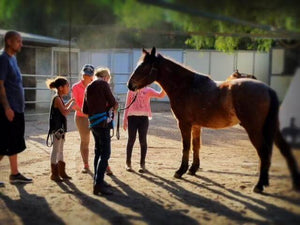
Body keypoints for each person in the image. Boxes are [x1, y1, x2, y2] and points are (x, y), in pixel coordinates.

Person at [0, 30, 33, 186]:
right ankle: (14, 174)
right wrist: (7, 107)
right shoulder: (3, 59)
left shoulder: (13, 59)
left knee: (12, 142)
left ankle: (14, 174)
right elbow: (0, 85)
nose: (21, 44)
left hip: (17, 108)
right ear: (9, 41)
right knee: (3, 143)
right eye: (18, 41)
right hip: (9, 109)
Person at [72, 64, 114, 175]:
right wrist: (90, 114)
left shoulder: (96, 85)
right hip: (82, 117)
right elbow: (75, 104)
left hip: (94, 116)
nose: (87, 77)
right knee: (85, 141)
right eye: (85, 75)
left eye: (89, 75)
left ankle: (105, 165)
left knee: (99, 143)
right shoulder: (76, 87)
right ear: (83, 75)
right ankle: (86, 165)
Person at [83, 67, 118, 195]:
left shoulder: (88, 86)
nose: (108, 81)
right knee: (105, 153)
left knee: (98, 151)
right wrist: (113, 106)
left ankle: (98, 181)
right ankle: (98, 184)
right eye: (108, 79)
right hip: (103, 124)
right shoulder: (103, 84)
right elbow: (113, 101)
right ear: (105, 77)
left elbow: (85, 109)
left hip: (93, 124)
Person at [123, 85, 166, 173]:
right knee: (131, 140)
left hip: (143, 118)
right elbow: (127, 105)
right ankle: (128, 163)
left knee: (143, 141)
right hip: (132, 117)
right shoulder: (131, 90)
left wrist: (164, 85)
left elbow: (161, 95)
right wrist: (124, 120)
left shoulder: (148, 90)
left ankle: (142, 164)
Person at [46, 76, 75, 182]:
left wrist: (70, 101)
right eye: (67, 86)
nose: (69, 87)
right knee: (56, 150)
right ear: (61, 87)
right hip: (57, 128)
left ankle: (61, 172)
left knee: (60, 149)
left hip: (60, 128)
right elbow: (65, 112)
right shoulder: (57, 98)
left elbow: (62, 108)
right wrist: (72, 104)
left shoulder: (59, 98)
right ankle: (54, 173)